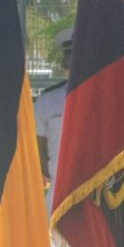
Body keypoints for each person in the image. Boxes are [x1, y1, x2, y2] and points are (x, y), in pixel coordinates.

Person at [33, 25, 73, 190]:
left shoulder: (105, 98)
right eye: (72, 55)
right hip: (59, 186)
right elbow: (39, 147)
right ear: (65, 62)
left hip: (99, 190)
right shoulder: (48, 100)